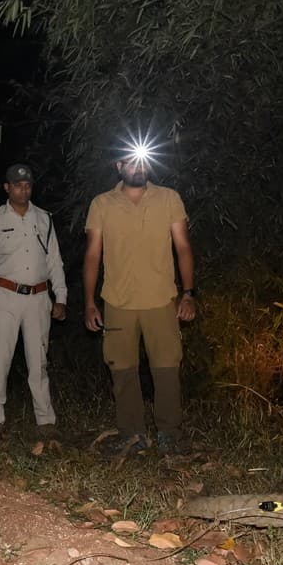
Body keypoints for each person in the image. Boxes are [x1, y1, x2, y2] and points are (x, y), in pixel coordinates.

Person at [83, 153, 197, 456]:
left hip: (161, 298)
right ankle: (132, 435)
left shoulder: (168, 198)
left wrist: (188, 293)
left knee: (167, 368)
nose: (138, 167)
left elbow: (183, 247)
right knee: (121, 370)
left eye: (142, 162)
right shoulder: (102, 204)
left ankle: (170, 435)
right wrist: (89, 302)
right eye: (131, 162)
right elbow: (93, 255)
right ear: (119, 166)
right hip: (117, 300)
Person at [0, 164, 68, 440]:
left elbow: (54, 261)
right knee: (0, 360)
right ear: (7, 187)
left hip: (39, 298)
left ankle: (46, 420)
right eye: (17, 185)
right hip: (4, 297)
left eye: (27, 185)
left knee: (38, 362)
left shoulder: (44, 218)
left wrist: (60, 296)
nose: (22, 189)